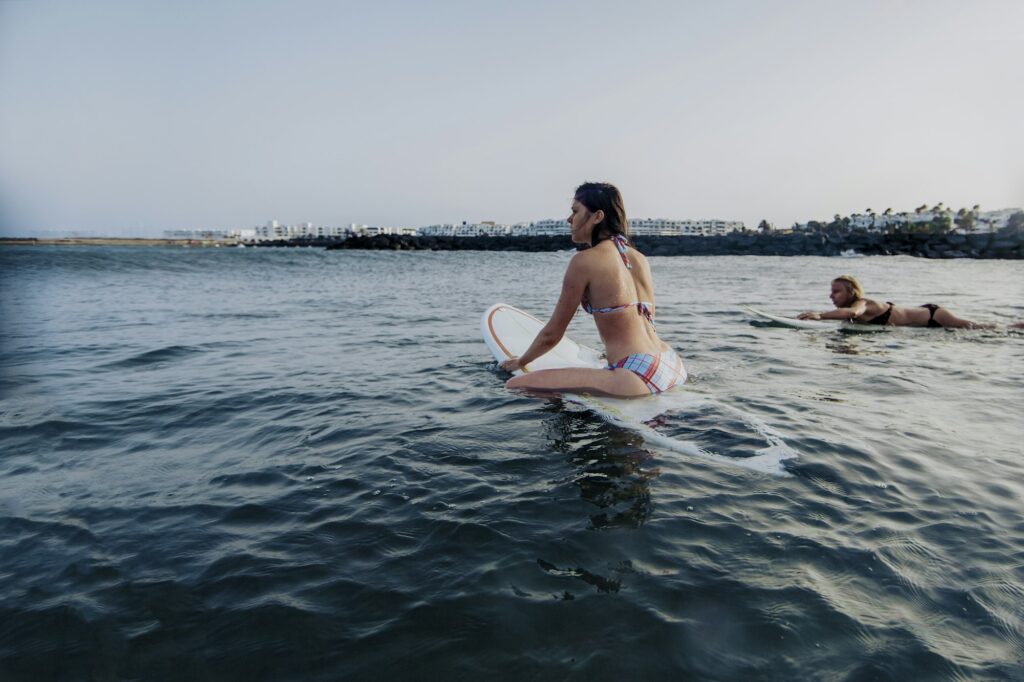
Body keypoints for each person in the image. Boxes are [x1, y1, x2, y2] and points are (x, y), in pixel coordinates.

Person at [499, 182, 686, 397]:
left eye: (575, 211)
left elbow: (553, 333)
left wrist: (519, 362)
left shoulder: (584, 261)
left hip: (636, 374)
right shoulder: (639, 259)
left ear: (597, 216)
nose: (569, 219)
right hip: (670, 362)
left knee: (516, 385)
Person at [797, 275, 995, 329]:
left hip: (933, 315)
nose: (831, 296)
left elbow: (852, 314)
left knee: (978, 327)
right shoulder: (854, 305)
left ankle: (1013, 327)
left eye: (836, 292)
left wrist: (819, 315)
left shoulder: (863, 303)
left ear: (851, 292)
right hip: (922, 321)